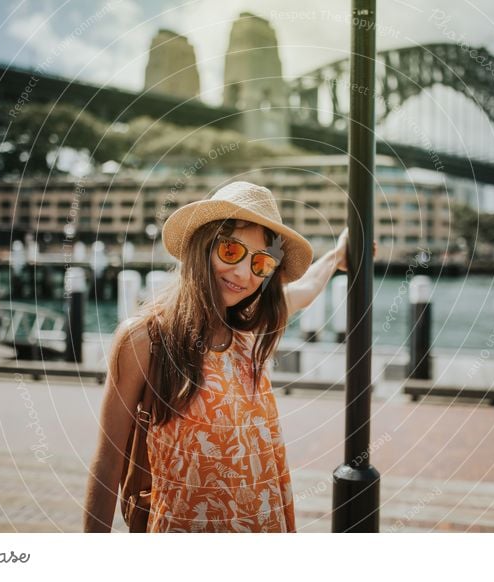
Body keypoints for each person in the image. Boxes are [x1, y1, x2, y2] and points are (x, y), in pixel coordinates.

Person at [83, 181, 355, 533]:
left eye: (261, 263)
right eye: (231, 252)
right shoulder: (144, 339)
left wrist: (337, 255)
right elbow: (108, 462)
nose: (244, 273)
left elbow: (302, 291)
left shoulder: (248, 331)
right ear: (203, 247)